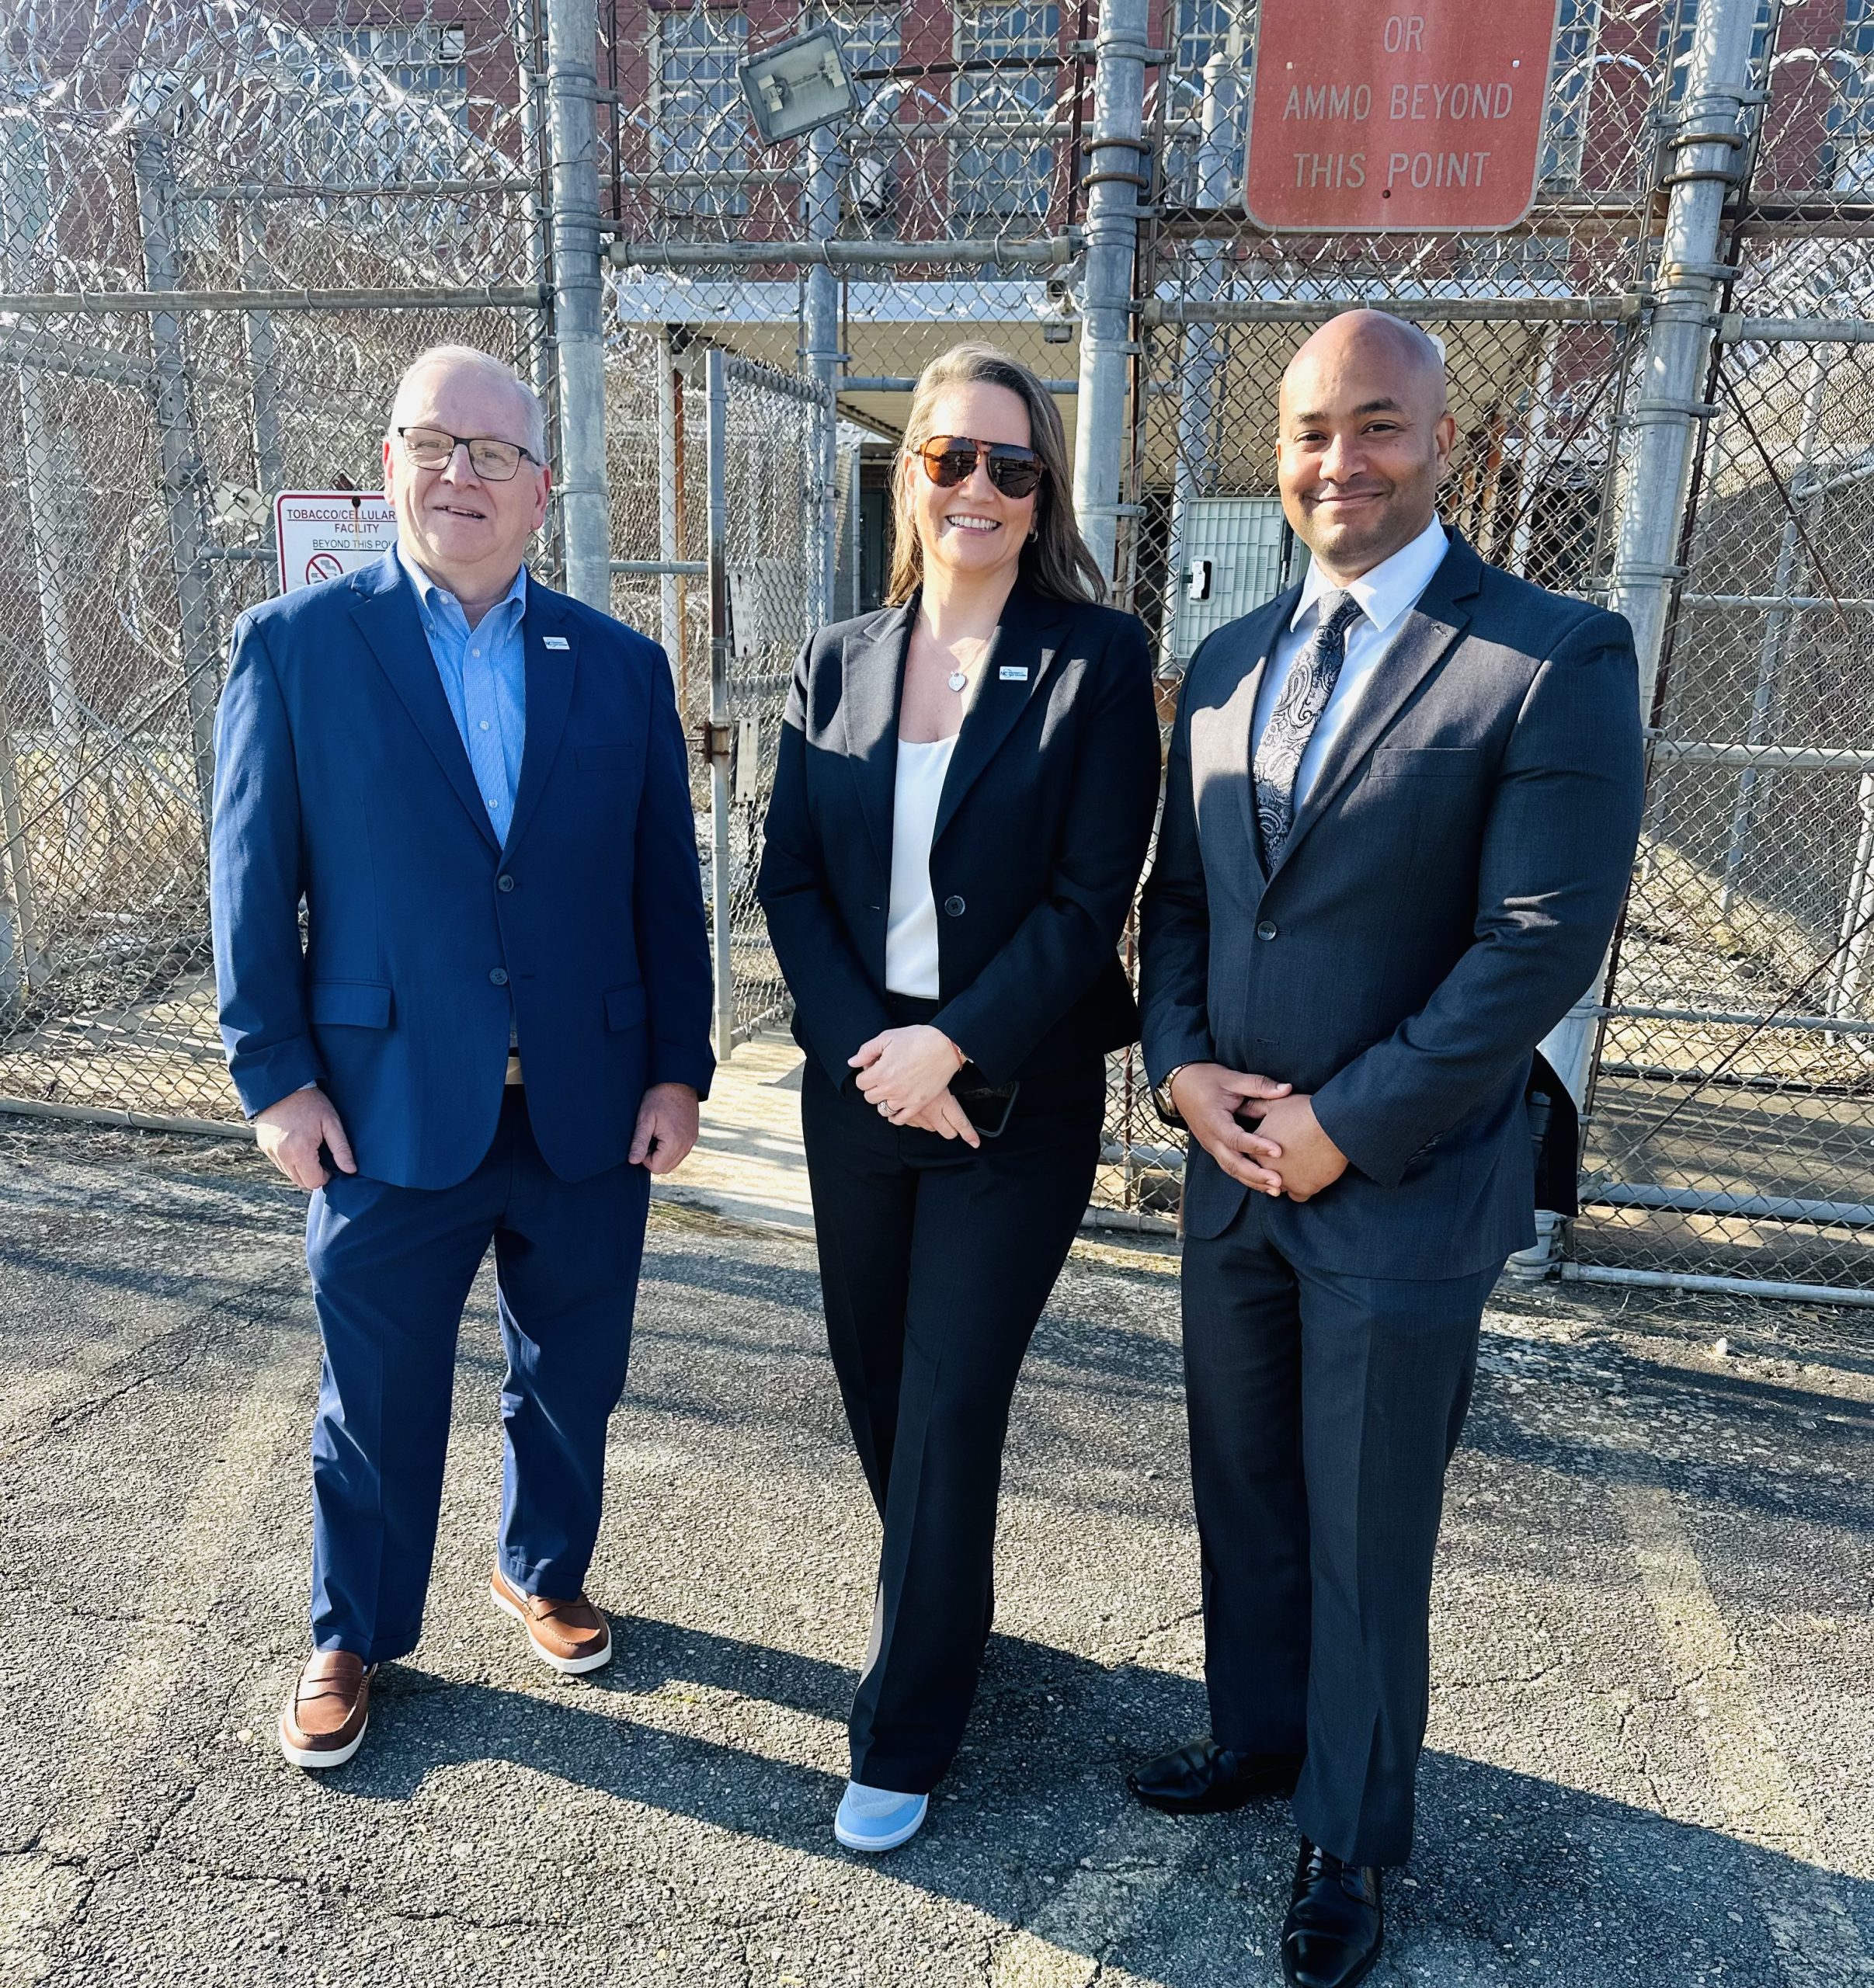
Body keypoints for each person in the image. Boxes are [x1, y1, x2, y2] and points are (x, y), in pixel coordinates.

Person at [1134, 311, 1644, 1988]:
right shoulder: (1222, 660)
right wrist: (1179, 1073)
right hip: (1230, 1164)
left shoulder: (1551, 653)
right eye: (1304, 433)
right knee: (1247, 1487)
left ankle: (1347, 1829)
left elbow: (1537, 942)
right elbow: (1189, 900)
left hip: (1401, 1181)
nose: (1335, 464)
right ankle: (1264, 1737)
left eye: (1375, 428)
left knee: (1366, 1526)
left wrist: (1345, 1124)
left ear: (1445, 444)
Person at [211, 345, 713, 1771]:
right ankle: (350, 1631)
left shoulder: (617, 668)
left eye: (494, 452)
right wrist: (275, 1078)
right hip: (379, 1110)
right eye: (433, 444)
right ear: (391, 469)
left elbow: (658, 891)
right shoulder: (299, 648)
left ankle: (541, 1570)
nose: (461, 474)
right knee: (373, 1394)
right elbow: (249, 885)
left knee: (572, 1372)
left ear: (543, 488)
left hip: (584, 1106)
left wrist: (679, 1069)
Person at [757, 343, 1161, 1854]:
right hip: (858, 1084)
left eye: (1009, 464)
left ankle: (908, 1716)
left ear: (1040, 487)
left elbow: (1084, 896)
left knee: (945, 1405)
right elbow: (788, 875)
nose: (977, 487)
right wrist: (876, 1046)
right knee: (878, 1389)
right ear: (908, 472)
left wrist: (956, 1050)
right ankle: (950, 1604)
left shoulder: (1095, 659)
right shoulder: (838, 661)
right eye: (948, 458)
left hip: (1014, 1100)